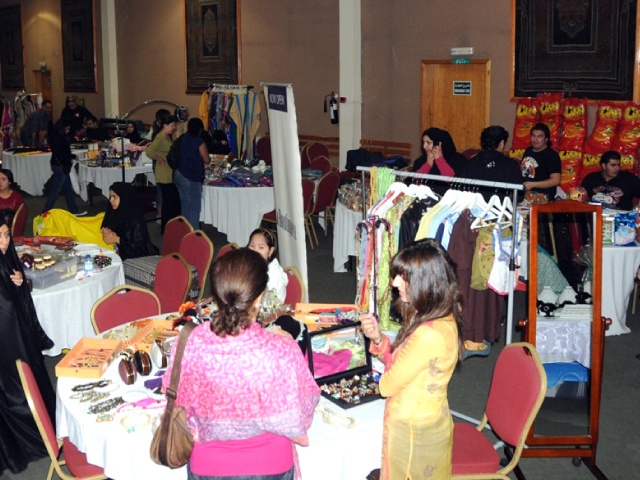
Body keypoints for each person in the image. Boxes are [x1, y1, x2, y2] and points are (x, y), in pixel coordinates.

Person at [163, 248, 320, 479]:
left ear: (217, 294)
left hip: (208, 466)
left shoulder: (188, 342)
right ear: (259, 297)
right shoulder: (282, 349)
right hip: (271, 465)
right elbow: (302, 413)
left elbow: (175, 397)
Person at [360, 239, 462, 480]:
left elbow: (387, 386)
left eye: (403, 277)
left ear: (425, 281)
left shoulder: (428, 334)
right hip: (427, 422)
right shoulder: (442, 315)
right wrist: (378, 339)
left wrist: (383, 351)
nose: (395, 283)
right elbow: (406, 361)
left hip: (413, 434)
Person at [0, 216, 56, 475]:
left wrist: (21, 282)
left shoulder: (6, 256)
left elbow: (17, 299)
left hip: (18, 335)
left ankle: (44, 429)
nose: (4, 242)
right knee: (15, 387)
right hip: (7, 341)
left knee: (30, 379)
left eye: (6, 235)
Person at [458, 125, 523, 201]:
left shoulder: (469, 163)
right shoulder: (511, 165)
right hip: (500, 207)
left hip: (473, 207)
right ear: (502, 143)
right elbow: (519, 196)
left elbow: (460, 190)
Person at [101, 182, 158, 260]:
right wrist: (106, 230)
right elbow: (107, 223)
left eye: (114, 197)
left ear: (124, 198)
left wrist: (117, 239)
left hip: (138, 259)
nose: (111, 200)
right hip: (122, 252)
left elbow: (139, 247)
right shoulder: (116, 211)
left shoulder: (135, 219)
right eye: (110, 197)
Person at [42, 119, 86, 216]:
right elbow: (63, 154)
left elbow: (60, 153)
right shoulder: (60, 138)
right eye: (67, 129)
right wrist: (72, 156)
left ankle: (73, 209)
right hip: (61, 166)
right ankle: (45, 211)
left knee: (67, 189)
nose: (68, 131)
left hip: (58, 165)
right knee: (56, 190)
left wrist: (71, 156)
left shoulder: (56, 136)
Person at [145, 111, 180, 233]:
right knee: (168, 201)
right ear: (164, 125)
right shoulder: (160, 137)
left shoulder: (167, 136)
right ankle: (165, 228)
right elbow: (149, 151)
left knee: (171, 201)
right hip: (163, 173)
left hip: (168, 172)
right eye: (171, 125)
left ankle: (169, 227)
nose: (173, 128)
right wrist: (158, 158)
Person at [175, 118, 210, 228]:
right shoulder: (198, 141)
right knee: (194, 209)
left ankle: (185, 230)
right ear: (200, 129)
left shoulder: (182, 138)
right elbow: (207, 160)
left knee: (185, 206)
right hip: (192, 177)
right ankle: (194, 233)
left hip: (179, 174)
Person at [520, 122, 562, 201]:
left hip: (543, 198)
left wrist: (532, 184)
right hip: (524, 196)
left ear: (546, 139)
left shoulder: (552, 155)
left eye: (539, 136)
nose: (535, 139)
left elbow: (556, 180)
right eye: (533, 136)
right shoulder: (528, 150)